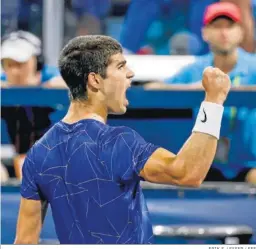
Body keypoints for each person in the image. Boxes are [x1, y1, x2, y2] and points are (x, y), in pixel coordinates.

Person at [14, 35, 231, 244]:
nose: (130, 73)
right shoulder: (118, 142)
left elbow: (24, 242)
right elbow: (188, 173)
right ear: (95, 80)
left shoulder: (38, 153)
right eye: (120, 66)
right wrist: (213, 101)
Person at [145, 2, 256, 184]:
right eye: (217, 26)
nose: (224, 32)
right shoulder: (197, 69)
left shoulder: (253, 66)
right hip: (205, 163)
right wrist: (194, 88)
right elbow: (153, 89)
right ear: (205, 33)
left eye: (230, 26)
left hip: (249, 163)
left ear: (241, 32)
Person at [1, 30, 66, 179]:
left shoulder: (55, 77)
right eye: (9, 64)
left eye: (20, 64)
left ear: (37, 62)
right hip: (16, 158)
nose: (15, 71)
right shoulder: (2, 83)